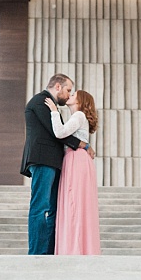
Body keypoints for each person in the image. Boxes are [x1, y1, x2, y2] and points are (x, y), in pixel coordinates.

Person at [20, 74, 93, 255]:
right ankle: (37, 254)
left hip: (53, 163)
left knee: (53, 209)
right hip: (43, 161)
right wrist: (82, 144)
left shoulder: (51, 106)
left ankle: (50, 251)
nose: (69, 95)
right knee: (41, 207)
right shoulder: (41, 101)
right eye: (68, 90)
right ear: (58, 86)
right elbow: (57, 133)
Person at [46, 89, 101, 255]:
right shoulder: (78, 117)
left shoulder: (78, 116)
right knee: (77, 204)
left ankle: (73, 249)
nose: (69, 95)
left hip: (76, 160)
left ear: (80, 101)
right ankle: (79, 248)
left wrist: (54, 113)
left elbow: (60, 133)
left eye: (73, 94)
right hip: (79, 159)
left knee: (74, 204)